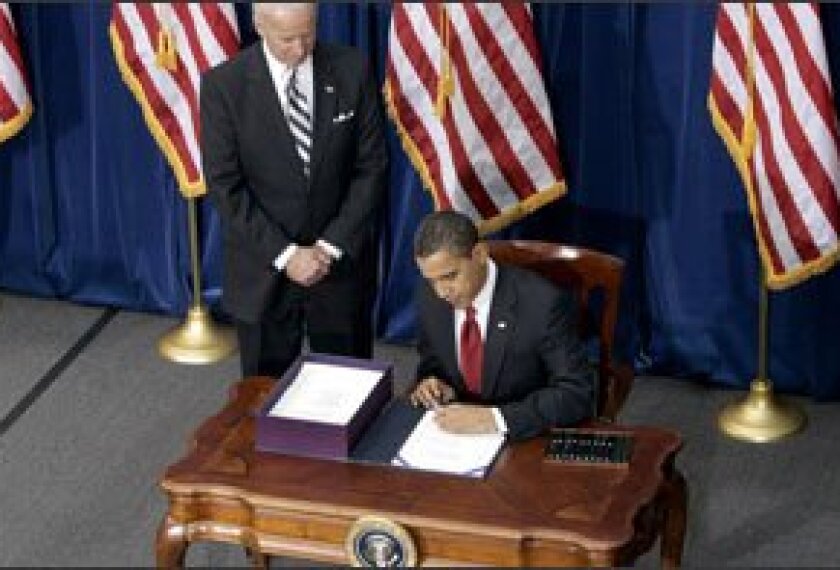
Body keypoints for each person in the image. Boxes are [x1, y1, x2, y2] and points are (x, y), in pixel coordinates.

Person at [200, 3, 389, 378]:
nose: (300, 48)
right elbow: (226, 187)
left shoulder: (352, 69)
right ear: (258, 26)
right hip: (263, 270)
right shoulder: (224, 85)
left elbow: (372, 168)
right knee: (264, 398)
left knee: (349, 388)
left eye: (308, 33)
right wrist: (287, 255)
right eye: (287, 39)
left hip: (338, 267)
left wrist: (328, 247)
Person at [409, 211, 594, 441]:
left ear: (479, 254)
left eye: (450, 276)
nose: (441, 292)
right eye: (431, 280)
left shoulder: (543, 304)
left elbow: (576, 393)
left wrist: (496, 419)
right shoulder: (429, 296)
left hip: (522, 438)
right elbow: (432, 363)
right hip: (453, 434)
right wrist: (433, 385)